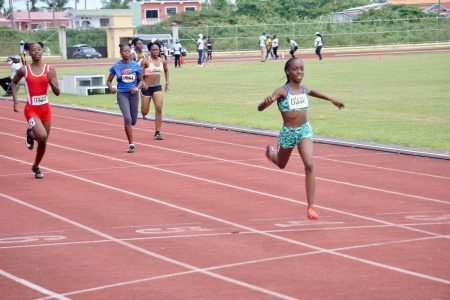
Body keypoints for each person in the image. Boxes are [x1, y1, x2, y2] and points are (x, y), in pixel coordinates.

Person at [257, 58, 344, 220]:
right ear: (287, 72)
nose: (299, 72)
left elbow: (315, 92)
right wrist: (265, 103)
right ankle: (272, 154)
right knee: (282, 164)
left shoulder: (304, 90)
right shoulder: (282, 91)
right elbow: (260, 108)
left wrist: (332, 99)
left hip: (304, 131)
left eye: (302, 69)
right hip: (288, 133)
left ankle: (311, 207)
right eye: (295, 69)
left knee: (309, 164)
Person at [11, 42, 60, 179]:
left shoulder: (50, 70)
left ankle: (36, 166)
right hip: (31, 109)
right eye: (33, 50)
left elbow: (57, 92)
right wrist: (15, 101)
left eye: (39, 49)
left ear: (42, 51)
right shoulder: (24, 70)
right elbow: (14, 83)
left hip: (45, 109)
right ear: (30, 53)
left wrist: (51, 82)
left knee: (43, 141)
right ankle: (31, 133)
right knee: (42, 136)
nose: (37, 52)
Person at [107, 44, 143, 153]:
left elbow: (141, 81)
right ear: (121, 53)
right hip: (122, 94)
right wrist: (111, 88)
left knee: (133, 121)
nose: (127, 53)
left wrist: (136, 88)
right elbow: (109, 81)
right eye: (124, 51)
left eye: (128, 51)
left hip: (134, 95)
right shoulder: (116, 66)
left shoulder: (135, 66)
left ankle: (130, 126)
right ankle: (131, 144)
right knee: (127, 118)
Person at [140, 42, 169, 140]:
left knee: (159, 108)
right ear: (150, 50)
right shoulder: (146, 61)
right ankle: (143, 112)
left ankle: (157, 132)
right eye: (153, 50)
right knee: (145, 111)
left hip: (157, 87)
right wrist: (142, 82)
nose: (155, 51)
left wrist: (167, 82)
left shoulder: (163, 61)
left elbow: (166, 70)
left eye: (157, 50)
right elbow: (139, 73)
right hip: (146, 88)